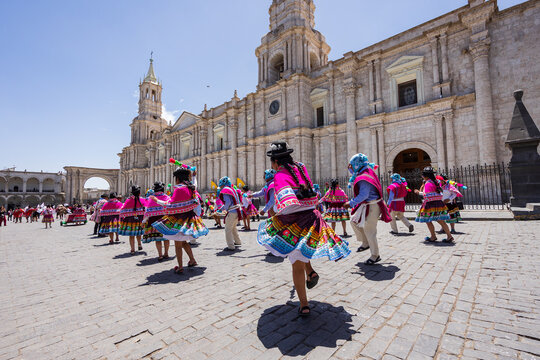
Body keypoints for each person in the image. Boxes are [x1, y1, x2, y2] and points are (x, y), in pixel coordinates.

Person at [257, 141, 350, 316]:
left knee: (296, 264)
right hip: (312, 218)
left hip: (295, 223)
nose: (272, 165)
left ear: (276, 162)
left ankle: (304, 304)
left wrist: (275, 213)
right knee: (301, 251)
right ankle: (311, 273)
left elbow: (284, 205)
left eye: (272, 162)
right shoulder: (301, 168)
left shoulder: (279, 175)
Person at [151, 166, 209, 274]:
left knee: (178, 244)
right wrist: (194, 175)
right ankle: (192, 260)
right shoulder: (191, 188)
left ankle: (180, 267)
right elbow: (195, 184)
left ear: (177, 178)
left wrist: (157, 200)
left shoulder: (179, 189)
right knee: (183, 242)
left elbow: (171, 205)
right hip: (190, 219)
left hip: (180, 220)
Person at [343, 153, 392, 265]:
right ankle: (366, 243)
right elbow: (355, 175)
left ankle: (375, 255)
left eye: (351, 165)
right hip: (367, 205)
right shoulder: (365, 172)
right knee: (354, 222)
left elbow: (364, 195)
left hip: (372, 205)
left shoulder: (364, 177)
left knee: (370, 231)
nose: (350, 167)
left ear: (356, 164)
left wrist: (350, 203)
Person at [414, 167, 454, 243]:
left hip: (430, 204)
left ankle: (433, 236)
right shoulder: (436, 182)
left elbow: (427, 195)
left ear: (425, 176)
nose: (422, 177)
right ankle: (449, 236)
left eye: (423, 175)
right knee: (441, 220)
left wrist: (418, 193)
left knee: (428, 220)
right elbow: (439, 194)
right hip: (439, 204)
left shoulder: (428, 183)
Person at [142, 184, 170, 262]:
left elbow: (147, 212)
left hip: (154, 222)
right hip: (165, 221)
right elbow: (171, 207)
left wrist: (144, 221)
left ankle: (160, 255)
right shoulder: (167, 197)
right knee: (166, 238)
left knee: (158, 239)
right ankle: (166, 253)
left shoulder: (151, 199)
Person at [216, 177, 243, 251]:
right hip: (237, 211)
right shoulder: (232, 189)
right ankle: (237, 242)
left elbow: (227, 202)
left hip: (231, 212)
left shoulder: (225, 190)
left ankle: (231, 246)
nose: (220, 187)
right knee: (233, 228)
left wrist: (223, 209)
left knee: (228, 229)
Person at [119, 186, 146, 255]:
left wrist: (122, 219)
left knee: (131, 235)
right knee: (139, 233)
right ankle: (139, 244)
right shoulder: (142, 200)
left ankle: (132, 249)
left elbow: (122, 210)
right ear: (139, 193)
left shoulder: (128, 200)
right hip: (140, 219)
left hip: (130, 220)